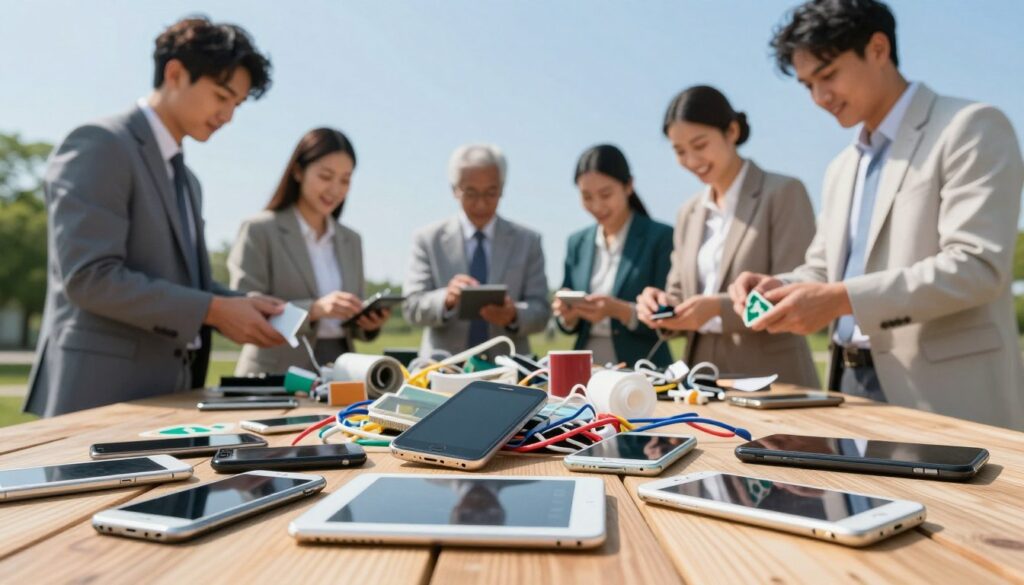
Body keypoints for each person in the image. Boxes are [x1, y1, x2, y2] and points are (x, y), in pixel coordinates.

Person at [729, 0, 1024, 429]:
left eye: (828, 76)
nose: (820, 98)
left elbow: (977, 267)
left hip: (944, 394)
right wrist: (781, 287)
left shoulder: (970, 127)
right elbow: (823, 270)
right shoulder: (840, 167)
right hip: (847, 386)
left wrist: (842, 299)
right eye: (808, 85)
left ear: (879, 48)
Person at [26, 17, 284, 417]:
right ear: (176, 73)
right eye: (221, 96)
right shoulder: (100, 144)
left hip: (170, 397)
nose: (228, 115)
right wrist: (212, 310)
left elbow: (180, 282)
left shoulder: (189, 180)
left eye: (236, 104)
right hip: (98, 397)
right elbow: (88, 278)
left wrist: (237, 304)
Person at [636, 86, 819, 387]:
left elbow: (795, 289)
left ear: (731, 131)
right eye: (680, 151)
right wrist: (661, 306)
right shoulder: (688, 213)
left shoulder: (783, 193)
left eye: (700, 144)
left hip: (774, 380)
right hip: (702, 382)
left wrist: (715, 309)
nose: (692, 160)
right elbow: (680, 293)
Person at [228, 128, 389, 373]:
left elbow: (350, 325)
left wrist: (367, 322)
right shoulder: (259, 230)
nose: (335, 190)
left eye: (345, 180)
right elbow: (244, 310)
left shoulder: (351, 240)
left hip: (341, 367)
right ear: (298, 171)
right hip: (275, 371)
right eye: (326, 176)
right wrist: (314, 310)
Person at [403, 144, 550, 357]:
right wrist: (446, 299)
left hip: (509, 369)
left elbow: (541, 311)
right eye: (470, 193)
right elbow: (412, 306)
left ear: (502, 188)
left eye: (491, 193)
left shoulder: (528, 241)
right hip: (442, 366)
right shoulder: (428, 239)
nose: (481, 204)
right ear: (454, 189)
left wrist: (514, 314)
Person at [554, 144, 674, 366]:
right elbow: (566, 322)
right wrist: (567, 316)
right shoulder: (577, 243)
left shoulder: (661, 237)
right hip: (585, 367)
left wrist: (620, 310)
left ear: (628, 186)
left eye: (605, 194)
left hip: (643, 366)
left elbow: (669, 317)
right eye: (587, 197)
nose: (597, 205)